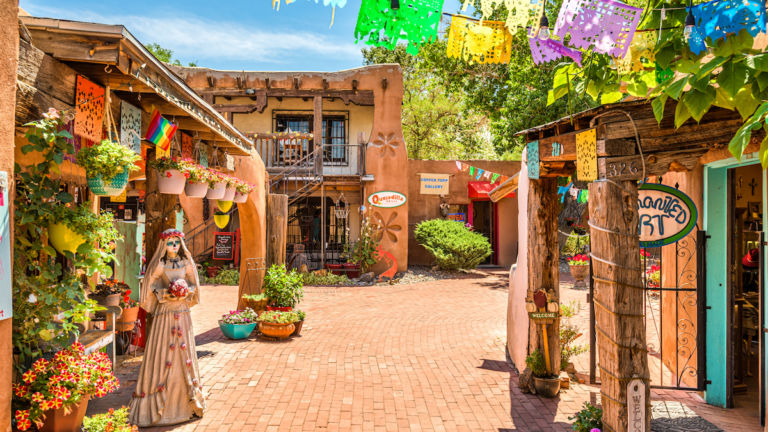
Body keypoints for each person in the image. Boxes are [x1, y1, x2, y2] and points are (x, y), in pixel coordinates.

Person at [129, 229, 205, 426]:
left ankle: (186, 403)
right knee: (162, 353)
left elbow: (193, 285)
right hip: (165, 315)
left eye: (177, 243)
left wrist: (185, 291)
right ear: (164, 245)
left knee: (184, 354)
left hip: (182, 313)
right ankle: (159, 408)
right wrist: (165, 293)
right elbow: (149, 287)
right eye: (170, 243)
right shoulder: (160, 264)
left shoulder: (185, 262)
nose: (174, 246)